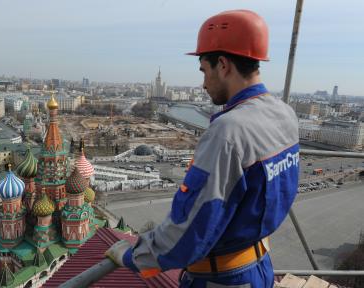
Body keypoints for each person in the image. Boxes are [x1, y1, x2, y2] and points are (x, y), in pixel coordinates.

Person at [106, 9, 299, 287]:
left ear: (223, 64)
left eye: (204, 70)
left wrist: (133, 256)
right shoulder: (285, 114)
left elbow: (189, 229)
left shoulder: (229, 132)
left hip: (222, 279)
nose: (203, 83)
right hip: (259, 267)